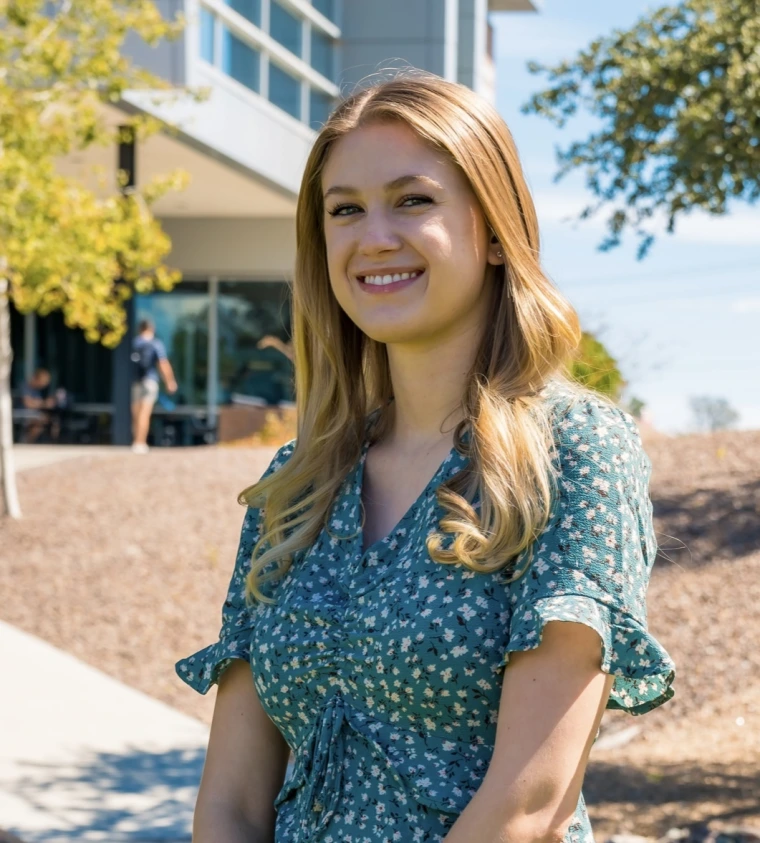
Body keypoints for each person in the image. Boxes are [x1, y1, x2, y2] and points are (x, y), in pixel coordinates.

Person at [175, 72, 676, 843]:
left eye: (413, 199)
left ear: (497, 229)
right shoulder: (297, 482)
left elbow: (528, 804)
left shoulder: (572, 452)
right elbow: (231, 803)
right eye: (344, 210)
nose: (374, 236)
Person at [130, 318, 177, 453]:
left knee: (136, 414)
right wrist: (170, 381)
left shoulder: (135, 343)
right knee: (145, 413)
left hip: (135, 382)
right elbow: (162, 363)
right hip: (150, 381)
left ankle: (135, 441)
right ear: (152, 329)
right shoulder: (155, 344)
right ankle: (141, 442)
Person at [20, 367, 66, 443]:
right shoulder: (25, 387)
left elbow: (36, 403)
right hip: (23, 413)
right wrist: (44, 403)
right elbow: (28, 404)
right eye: (44, 382)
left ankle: (52, 442)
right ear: (37, 379)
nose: (45, 385)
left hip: (34, 414)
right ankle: (26, 442)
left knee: (53, 420)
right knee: (41, 420)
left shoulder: (37, 390)